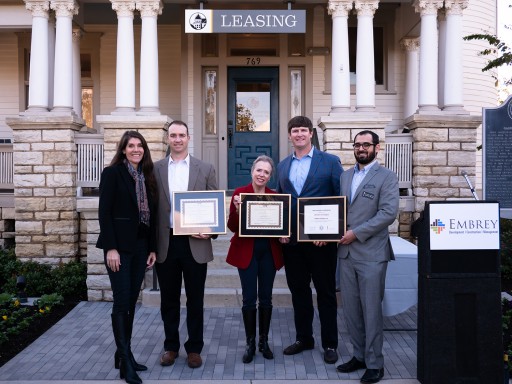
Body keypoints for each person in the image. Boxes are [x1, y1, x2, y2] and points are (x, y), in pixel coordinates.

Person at [276, 115, 343, 364]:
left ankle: (330, 343)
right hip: (292, 243)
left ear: (311, 134)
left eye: (304, 130)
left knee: (325, 292)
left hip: (322, 244)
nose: (299, 134)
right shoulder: (283, 166)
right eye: (295, 131)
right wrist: (280, 231)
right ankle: (304, 338)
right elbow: (280, 204)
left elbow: (340, 197)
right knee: (299, 292)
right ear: (290, 135)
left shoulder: (330, 162)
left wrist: (330, 233)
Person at [336, 130, 399, 384]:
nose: (361, 148)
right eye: (357, 144)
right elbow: (339, 209)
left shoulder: (387, 177)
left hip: (371, 254)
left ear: (376, 147)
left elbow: (387, 213)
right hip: (346, 253)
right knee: (351, 311)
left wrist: (355, 233)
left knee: (371, 311)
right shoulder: (345, 176)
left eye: (366, 144)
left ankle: (375, 364)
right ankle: (359, 356)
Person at [154, 120, 217, 369]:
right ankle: (171, 346)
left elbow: (214, 204)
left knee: (195, 299)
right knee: (168, 299)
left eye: (181, 135)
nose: (177, 139)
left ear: (189, 138)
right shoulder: (156, 168)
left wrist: (210, 232)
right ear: (168, 139)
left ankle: (194, 349)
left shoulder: (205, 168)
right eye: (173, 135)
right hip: (165, 242)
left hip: (194, 242)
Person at [97, 130, 157, 384]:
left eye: (139, 145)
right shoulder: (112, 174)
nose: (136, 149)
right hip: (119, 249)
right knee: (121, 303)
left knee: (131, 303)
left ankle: (124, 357)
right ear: (123, 149)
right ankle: (125, 359)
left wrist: (152, 248)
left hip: (141, 247)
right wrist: (110, 248)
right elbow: (104, 212)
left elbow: (152, 216)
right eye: (131, 146)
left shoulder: (147, 176)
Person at [226, 155, 284, 364]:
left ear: (270, 176)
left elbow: (281, 226)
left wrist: (284, 233)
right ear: (252, 172)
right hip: (246, 251)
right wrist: (238, 209)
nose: (262, 174)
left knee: (266, 298)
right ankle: (250, 343)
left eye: (266, 172)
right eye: (259, 170)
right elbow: (232, 226)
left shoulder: (275, 195)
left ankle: (263, 341)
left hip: (268, 252)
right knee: (249, 298)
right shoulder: (240, 193)